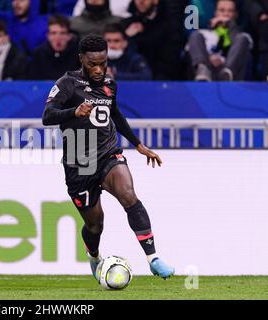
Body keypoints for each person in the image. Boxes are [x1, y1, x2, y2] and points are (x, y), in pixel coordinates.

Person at [42, 34, 174, 280]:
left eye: (103, 62)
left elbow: (116, 114)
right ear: (81, 59)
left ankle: (153, 258)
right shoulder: (67, 84)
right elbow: (47, 115)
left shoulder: (110, 85)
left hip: (108, 154)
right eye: (93, 64)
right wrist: (74, 111)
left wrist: (138, 144)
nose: (99, 69)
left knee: (128, 194)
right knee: (95, 225)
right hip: (79, 163)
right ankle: (94, 255)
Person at [187, 0, 252, 81]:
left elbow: (239, 42)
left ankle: (227, 73)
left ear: (236, 14)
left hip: (232, 76)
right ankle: (203, 69)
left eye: (230, 11)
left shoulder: (240, 36)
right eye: (222, 10)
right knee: (195, 35)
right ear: (215, 12)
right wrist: (209, 58)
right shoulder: (203, 34)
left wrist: (230, 24)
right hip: (207, 71)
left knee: (243, 38)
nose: (225, 14)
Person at [28, 14, 80, 80]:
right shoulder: (39, 54)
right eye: (53, 33)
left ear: (69, 36)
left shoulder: (78, 55)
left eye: (62, 33)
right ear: (48, 36)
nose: (58, 38)